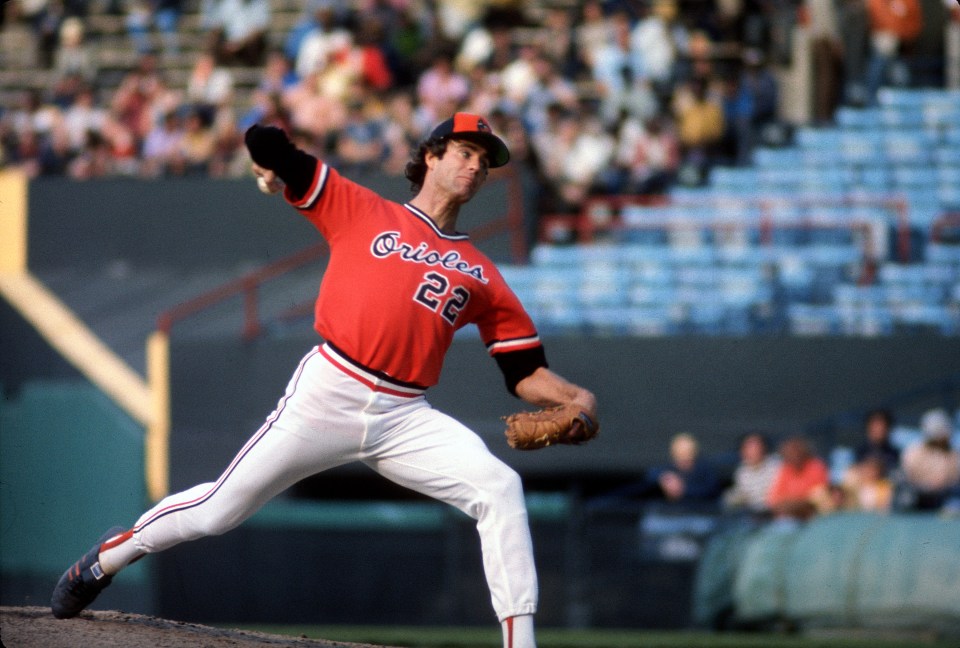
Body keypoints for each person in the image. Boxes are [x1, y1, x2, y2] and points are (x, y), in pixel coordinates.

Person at [50, 112, 599, 648]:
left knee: (500, 488)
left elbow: (523, 372)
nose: (476, 167)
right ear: (430, 157)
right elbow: (271, 144)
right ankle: (109, 557)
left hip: (406, 415)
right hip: (329, 390)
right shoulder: (361, 208)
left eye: (485, 161)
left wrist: (575, 396)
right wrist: (271, 158)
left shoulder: (482, 272)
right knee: (218, 511)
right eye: (465, 153)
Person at [900, 408, 960, 510]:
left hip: (946, 499)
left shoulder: (953, 455)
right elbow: (908, 478)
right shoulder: (914, 453)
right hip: (918, 499)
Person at [766, 435, 830, 521]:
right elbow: (774, 500)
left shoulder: (816, 467)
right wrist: (790, 505)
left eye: (796, 452)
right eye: (790, 453)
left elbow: (816, 498)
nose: (794, 455)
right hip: (788, 518)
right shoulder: (786, 469)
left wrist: (794, 504)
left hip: (813, 518)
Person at [648, 432, 721, 504]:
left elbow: (711, 491)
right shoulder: (668, 469)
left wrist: (682, 489)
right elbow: (649, 476)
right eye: (680, 454)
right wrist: (664, 478)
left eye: (687, 453)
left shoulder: (705, 470)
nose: (684, 458)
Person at [722, 432, 781, 514]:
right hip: (752, 514)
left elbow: (772, 496)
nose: (753, 451)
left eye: (756, 447)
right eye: (748, 448)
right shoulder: (742, 470)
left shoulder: (776, 465)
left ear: (764, 448)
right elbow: (741, 492)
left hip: (774, 512)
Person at [853, 407, 900, 472]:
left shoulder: (894, 454)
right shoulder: (860, 453)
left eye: (883, 426)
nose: (879, 429)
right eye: (875, 426)